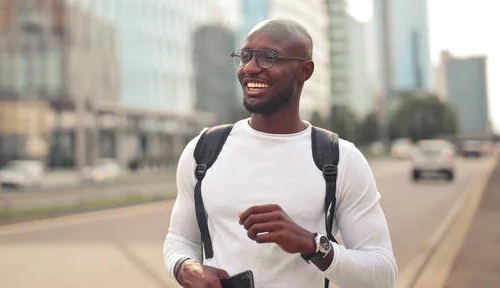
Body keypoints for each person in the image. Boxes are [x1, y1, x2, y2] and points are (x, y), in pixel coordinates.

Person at [163, 18, 397, 288]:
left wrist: (311, 244)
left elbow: (383, 274)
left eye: (268, 58)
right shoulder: (204, 150)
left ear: (304, 71)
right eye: (246, 56)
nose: (250, 68)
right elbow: (180, 240)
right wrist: (184, 267)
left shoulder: (340, 159)